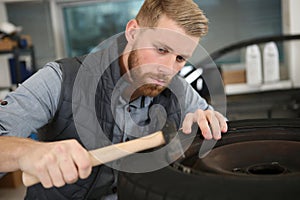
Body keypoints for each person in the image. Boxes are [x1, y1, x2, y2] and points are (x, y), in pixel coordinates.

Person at [0, 0, 227, 199]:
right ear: (132, 32)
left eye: (180, 58)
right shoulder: (61, 78)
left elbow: (221, 137)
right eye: (160, 49)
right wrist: (27, 152)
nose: (167, 70)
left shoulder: (179, 90)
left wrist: (209, 125)